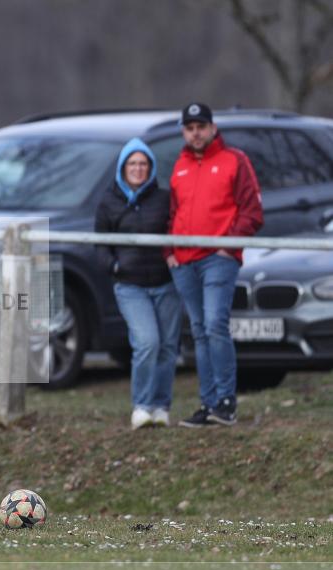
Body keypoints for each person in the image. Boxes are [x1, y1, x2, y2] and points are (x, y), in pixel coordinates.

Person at [168, 103, 263, 427]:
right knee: (198, 331)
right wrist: (170, 252)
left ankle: (226, 400)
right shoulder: (179, 166)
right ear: (184, 131)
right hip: (184, 262)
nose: (196, 132)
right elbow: (172, 214)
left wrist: (227, 247)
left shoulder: (234, 160)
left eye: (201, 126)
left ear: (212, 128)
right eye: (190, 127)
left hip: (217, 261)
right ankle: (208, 404)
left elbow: (252, 212)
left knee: (214, 325)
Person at [95, 138, 181, 429]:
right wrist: (114, 266)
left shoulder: (164, 198)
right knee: (147, 342)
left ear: (151, 168)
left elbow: (177, 230)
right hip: (130, 286)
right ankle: (141, 406)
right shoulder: (108, 201)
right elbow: (100, 244)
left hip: (165, 283)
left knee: (168, 347)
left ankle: (161, 406)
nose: (138, 168)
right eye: (132, 163)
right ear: (123, 167)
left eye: (143, 163)